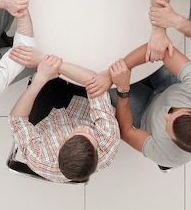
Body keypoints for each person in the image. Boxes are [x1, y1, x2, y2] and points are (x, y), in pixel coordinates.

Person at [86, 44, 191, 168]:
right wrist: (114, 72)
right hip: (169, 86)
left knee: (97, 83)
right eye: (173, 114)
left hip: (144, 112)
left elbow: (126, 131)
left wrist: (123, 89)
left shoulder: (168, 156)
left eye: (167, 125)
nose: (166, 115)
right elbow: (161, 49)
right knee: (135, 47)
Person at [8, 47, 119, 183]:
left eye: (79, 132)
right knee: (87, 60)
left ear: (61, 145)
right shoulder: (108, 140)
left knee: (50, 60)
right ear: (97, 153)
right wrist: (51, 62)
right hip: (84, 103)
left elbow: (17, 119)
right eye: (91, 134)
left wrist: (41, 77)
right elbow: (94, 80)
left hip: (48, 118)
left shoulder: (40, 158)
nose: (87, 129)